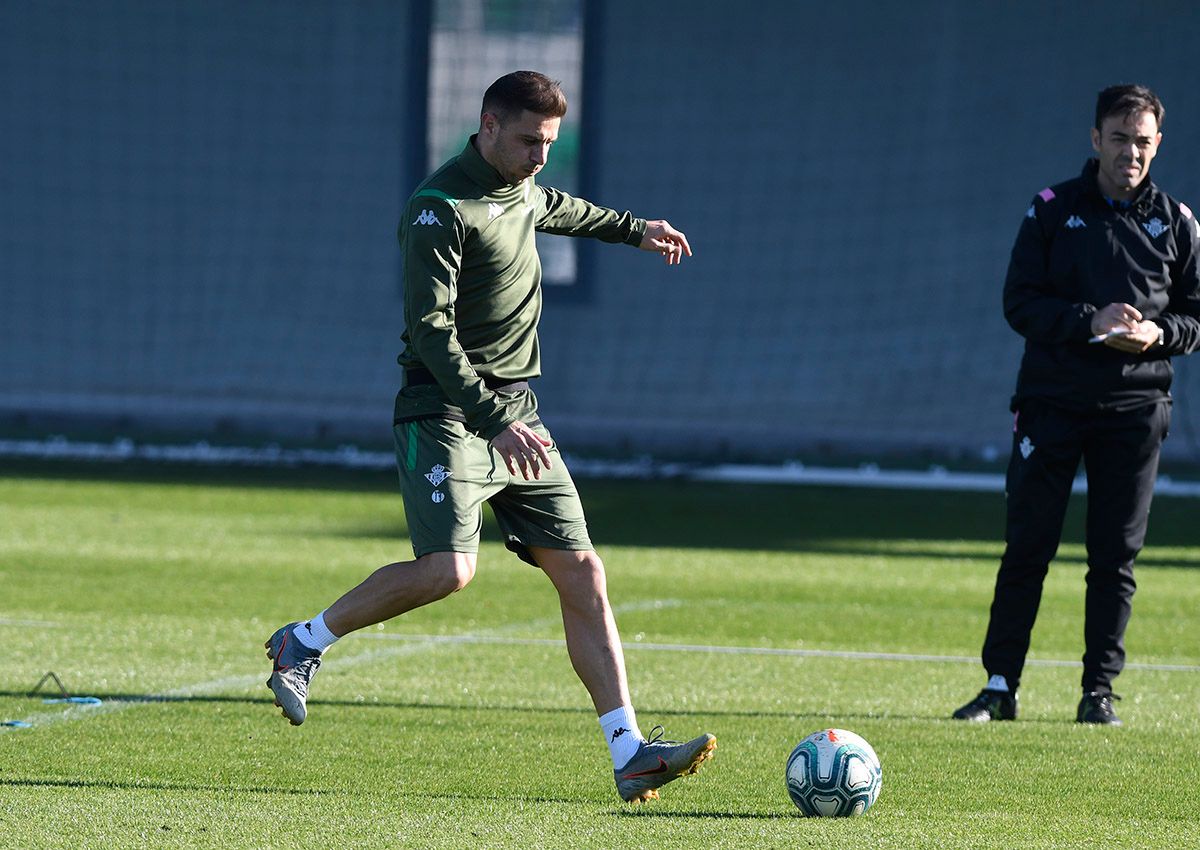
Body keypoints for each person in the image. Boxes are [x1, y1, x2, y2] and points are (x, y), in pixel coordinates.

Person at [263, 71, 715, 802]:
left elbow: (559, 207)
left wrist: (638, 229)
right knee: (449, 571)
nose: (542, 155)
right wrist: (495, 421)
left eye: (551, 143)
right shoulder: (439, 208)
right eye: (532, 140)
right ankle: (304, 641)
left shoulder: (523, 186)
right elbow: (432, 334)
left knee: (584, 573)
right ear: (489, 125)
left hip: (516, 416)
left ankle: (628, 751)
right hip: (445, 412)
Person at [953, 84, 1200, 726]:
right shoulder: (1051, 210)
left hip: (1137, 410)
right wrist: (1092, 322)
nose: (1131, 153)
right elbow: (1020, 303)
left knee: (1114, 559)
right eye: (1119, 139)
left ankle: (1098, 694)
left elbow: (1196, 316)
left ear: (1158, 145)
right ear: (1096, 140)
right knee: (1028, 546)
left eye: (1143, 141)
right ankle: (999, 687)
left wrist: (1159, 333)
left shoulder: (1178, 221)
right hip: (1052, 404)